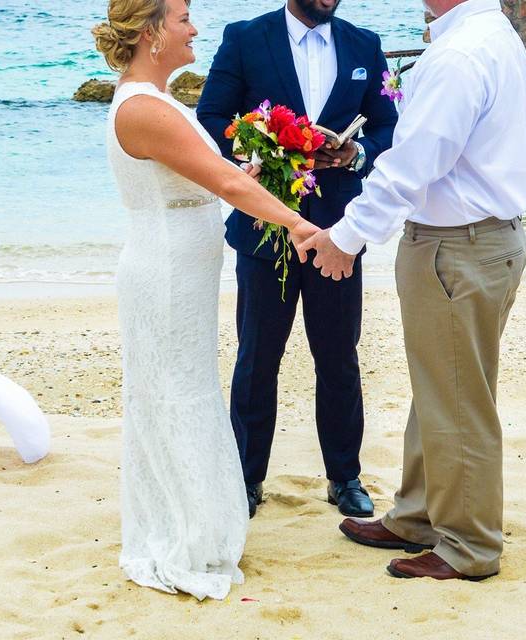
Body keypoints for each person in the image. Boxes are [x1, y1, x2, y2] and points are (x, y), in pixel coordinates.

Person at [300, 0, 526, 580]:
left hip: (455, 246)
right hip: (477, 240)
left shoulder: (459, 53)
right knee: (443, 384)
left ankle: (468, 546)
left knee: (458, 399)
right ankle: (416, 514)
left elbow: (412, 166)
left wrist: (347, 237)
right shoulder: (486, 32)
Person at [92, 0, 319, 600]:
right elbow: (222, 181)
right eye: (184, 18)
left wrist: (260, 162)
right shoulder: (143, 107)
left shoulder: (157, 101)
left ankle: (191, 521)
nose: (195, 29)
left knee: (182, 386)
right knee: (175, 391)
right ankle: (189, 536)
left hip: (179, 271)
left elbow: (213, 171)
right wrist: (296, 224)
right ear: (151, 32)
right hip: (164, 271)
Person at [197, 0, 398, 520]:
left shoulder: (364, 44)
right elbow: (212, 116)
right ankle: (245, 477)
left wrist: (356, 154)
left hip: (339, 228)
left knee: (339, 355)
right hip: (264, 227)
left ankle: (344, 476)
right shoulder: (244, 37)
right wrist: (251, 151)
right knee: (257, 357)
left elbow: (386, 125)